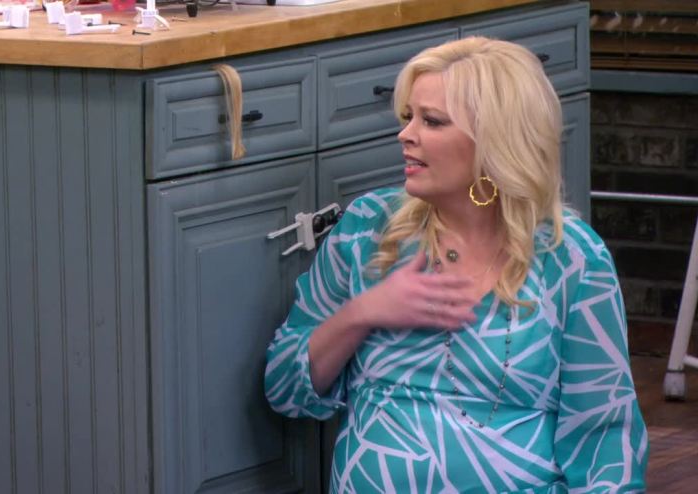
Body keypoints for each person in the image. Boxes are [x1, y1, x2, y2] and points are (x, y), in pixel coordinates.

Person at [264, 36, 648, 492]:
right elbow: (284, 388)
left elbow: (606, 443)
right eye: (408, 117)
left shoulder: (572, 259)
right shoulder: (368, 229)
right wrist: (362, 313)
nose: (405, 134)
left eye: (432, 121)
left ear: (495, 140)